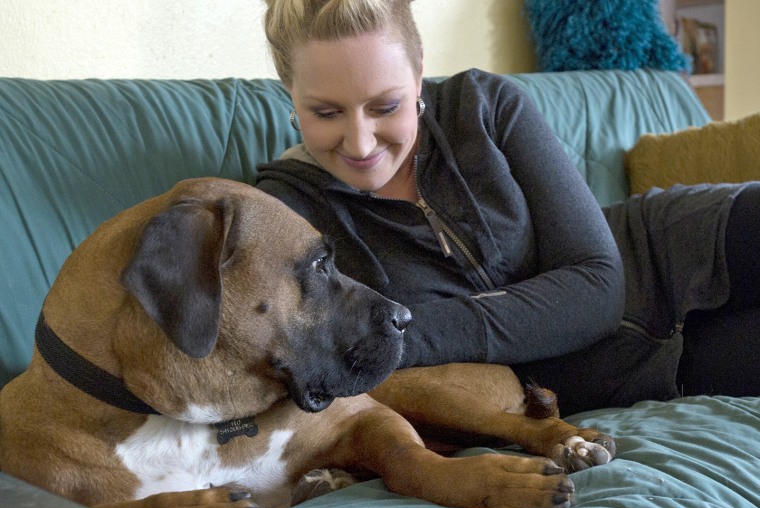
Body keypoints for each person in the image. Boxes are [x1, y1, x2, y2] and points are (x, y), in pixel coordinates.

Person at [256, 0, 759, 415]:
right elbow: (312, 359)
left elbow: (600, 284)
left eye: (386, 106)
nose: (361, 143)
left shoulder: (483, 104)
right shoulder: (287, 213)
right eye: (325, 113)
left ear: (418, 72)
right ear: (290, 93)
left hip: (667, 247)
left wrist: (398, 329)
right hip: (619, 376)